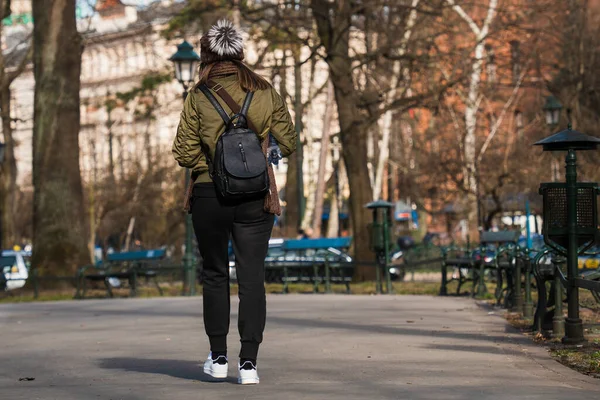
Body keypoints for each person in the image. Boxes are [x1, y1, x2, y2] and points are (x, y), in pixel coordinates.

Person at [172, 19, 296, 385]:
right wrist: (257, 156)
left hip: (209, 196)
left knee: (213, 274)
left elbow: (182, 150)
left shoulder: (197, 96)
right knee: (252, 278)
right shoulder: (265, 92)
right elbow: (287, 141)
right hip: (256, 196)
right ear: (240, 54)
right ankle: (249, 365)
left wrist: (212, 166)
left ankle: (219, 357)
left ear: (206, 56)